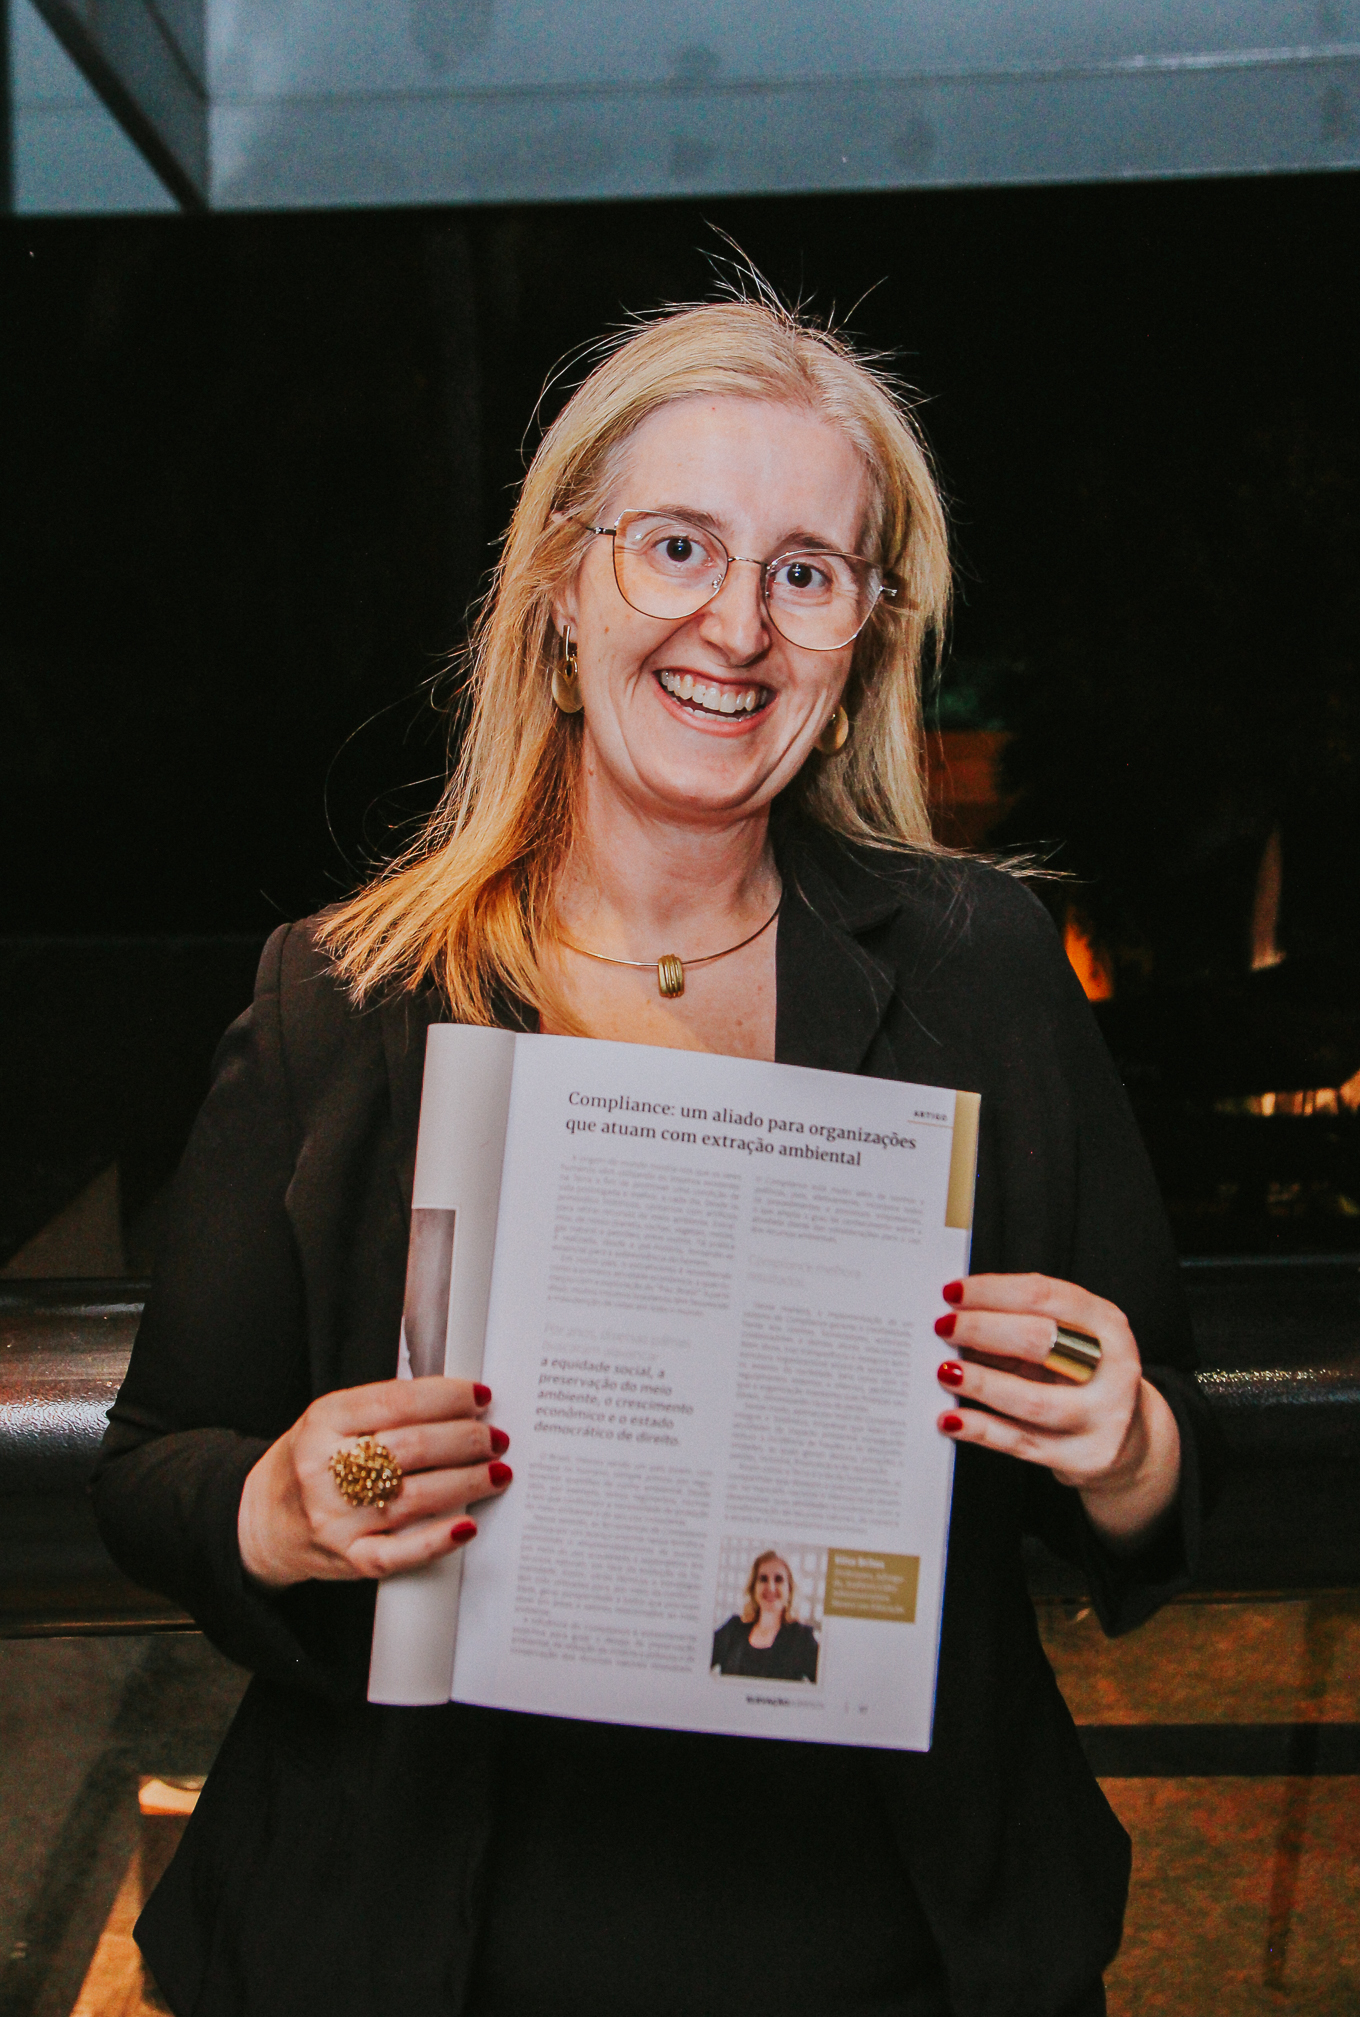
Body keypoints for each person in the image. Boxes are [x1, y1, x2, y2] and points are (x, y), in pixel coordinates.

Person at [92, 288, 1207, 2017]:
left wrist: (1123, 1443)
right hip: (427, 1944)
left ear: (861, 641)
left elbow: (1161, 1447)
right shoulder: (346, 999)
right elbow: (154, 1464)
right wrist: (284, 1505)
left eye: (805, 572)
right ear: (561, 585)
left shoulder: (982, 969)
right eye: (677, 546)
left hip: (899, 1945)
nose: (734, 627)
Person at [712, 1550, 820, 1681]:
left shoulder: (802, 1638)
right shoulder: (733, 1628)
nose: (771, 1588)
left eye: (779, 1579)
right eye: (763, 1579)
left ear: (790, 1588)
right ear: (753, 1587)